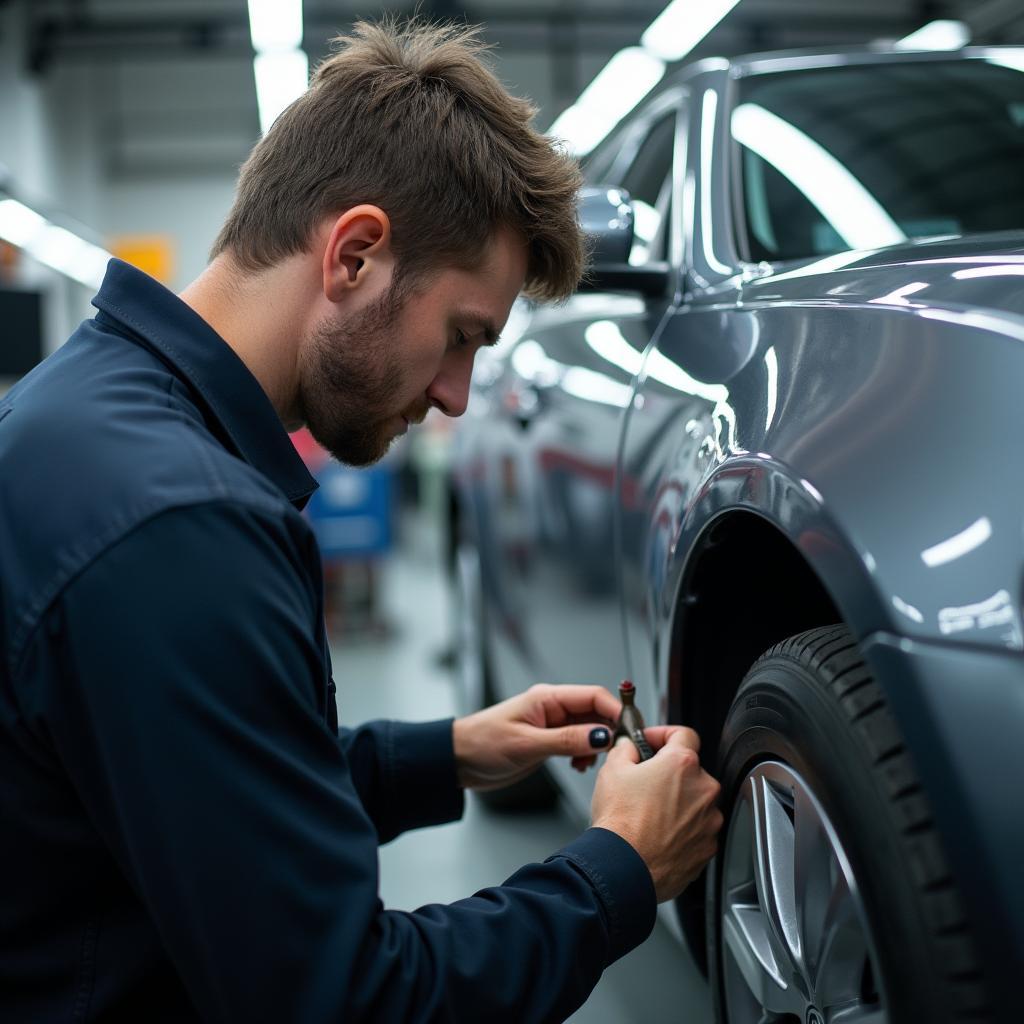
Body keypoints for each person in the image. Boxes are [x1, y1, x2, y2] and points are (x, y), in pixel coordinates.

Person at [0, 19, 722, 1023]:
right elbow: (343, 1000)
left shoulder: (89, 412)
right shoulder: (178, 528)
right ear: (355, 255)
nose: (461, 395)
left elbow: (190, 787)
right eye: (461, 335)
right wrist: (619, 871)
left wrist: (448, 751)